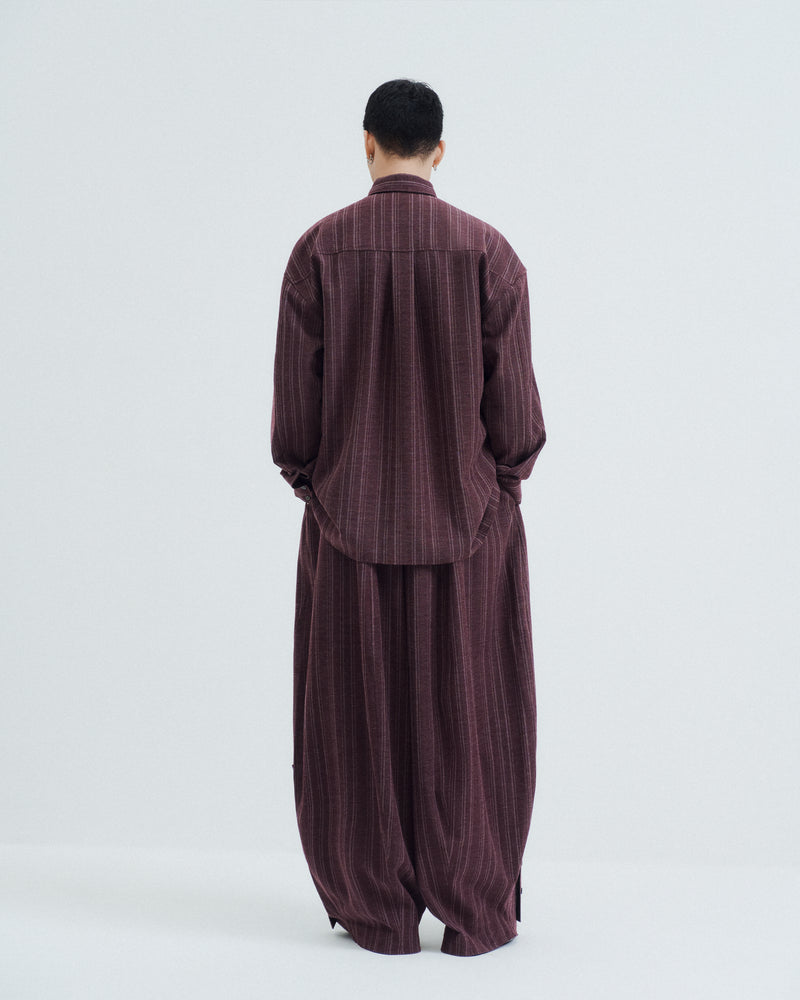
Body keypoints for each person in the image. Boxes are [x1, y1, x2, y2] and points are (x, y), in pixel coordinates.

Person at [271, 78, 546, 957]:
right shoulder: (489, 255)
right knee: (473, 722)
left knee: (352, 723)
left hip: (346, 529)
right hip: (469, 532)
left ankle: (375, 913)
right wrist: (491, 495)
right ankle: (473, 904)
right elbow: (518, 423)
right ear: (439, 150)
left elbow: (294, 427)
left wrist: (326, 489)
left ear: (367, 144)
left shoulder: (317, 253)